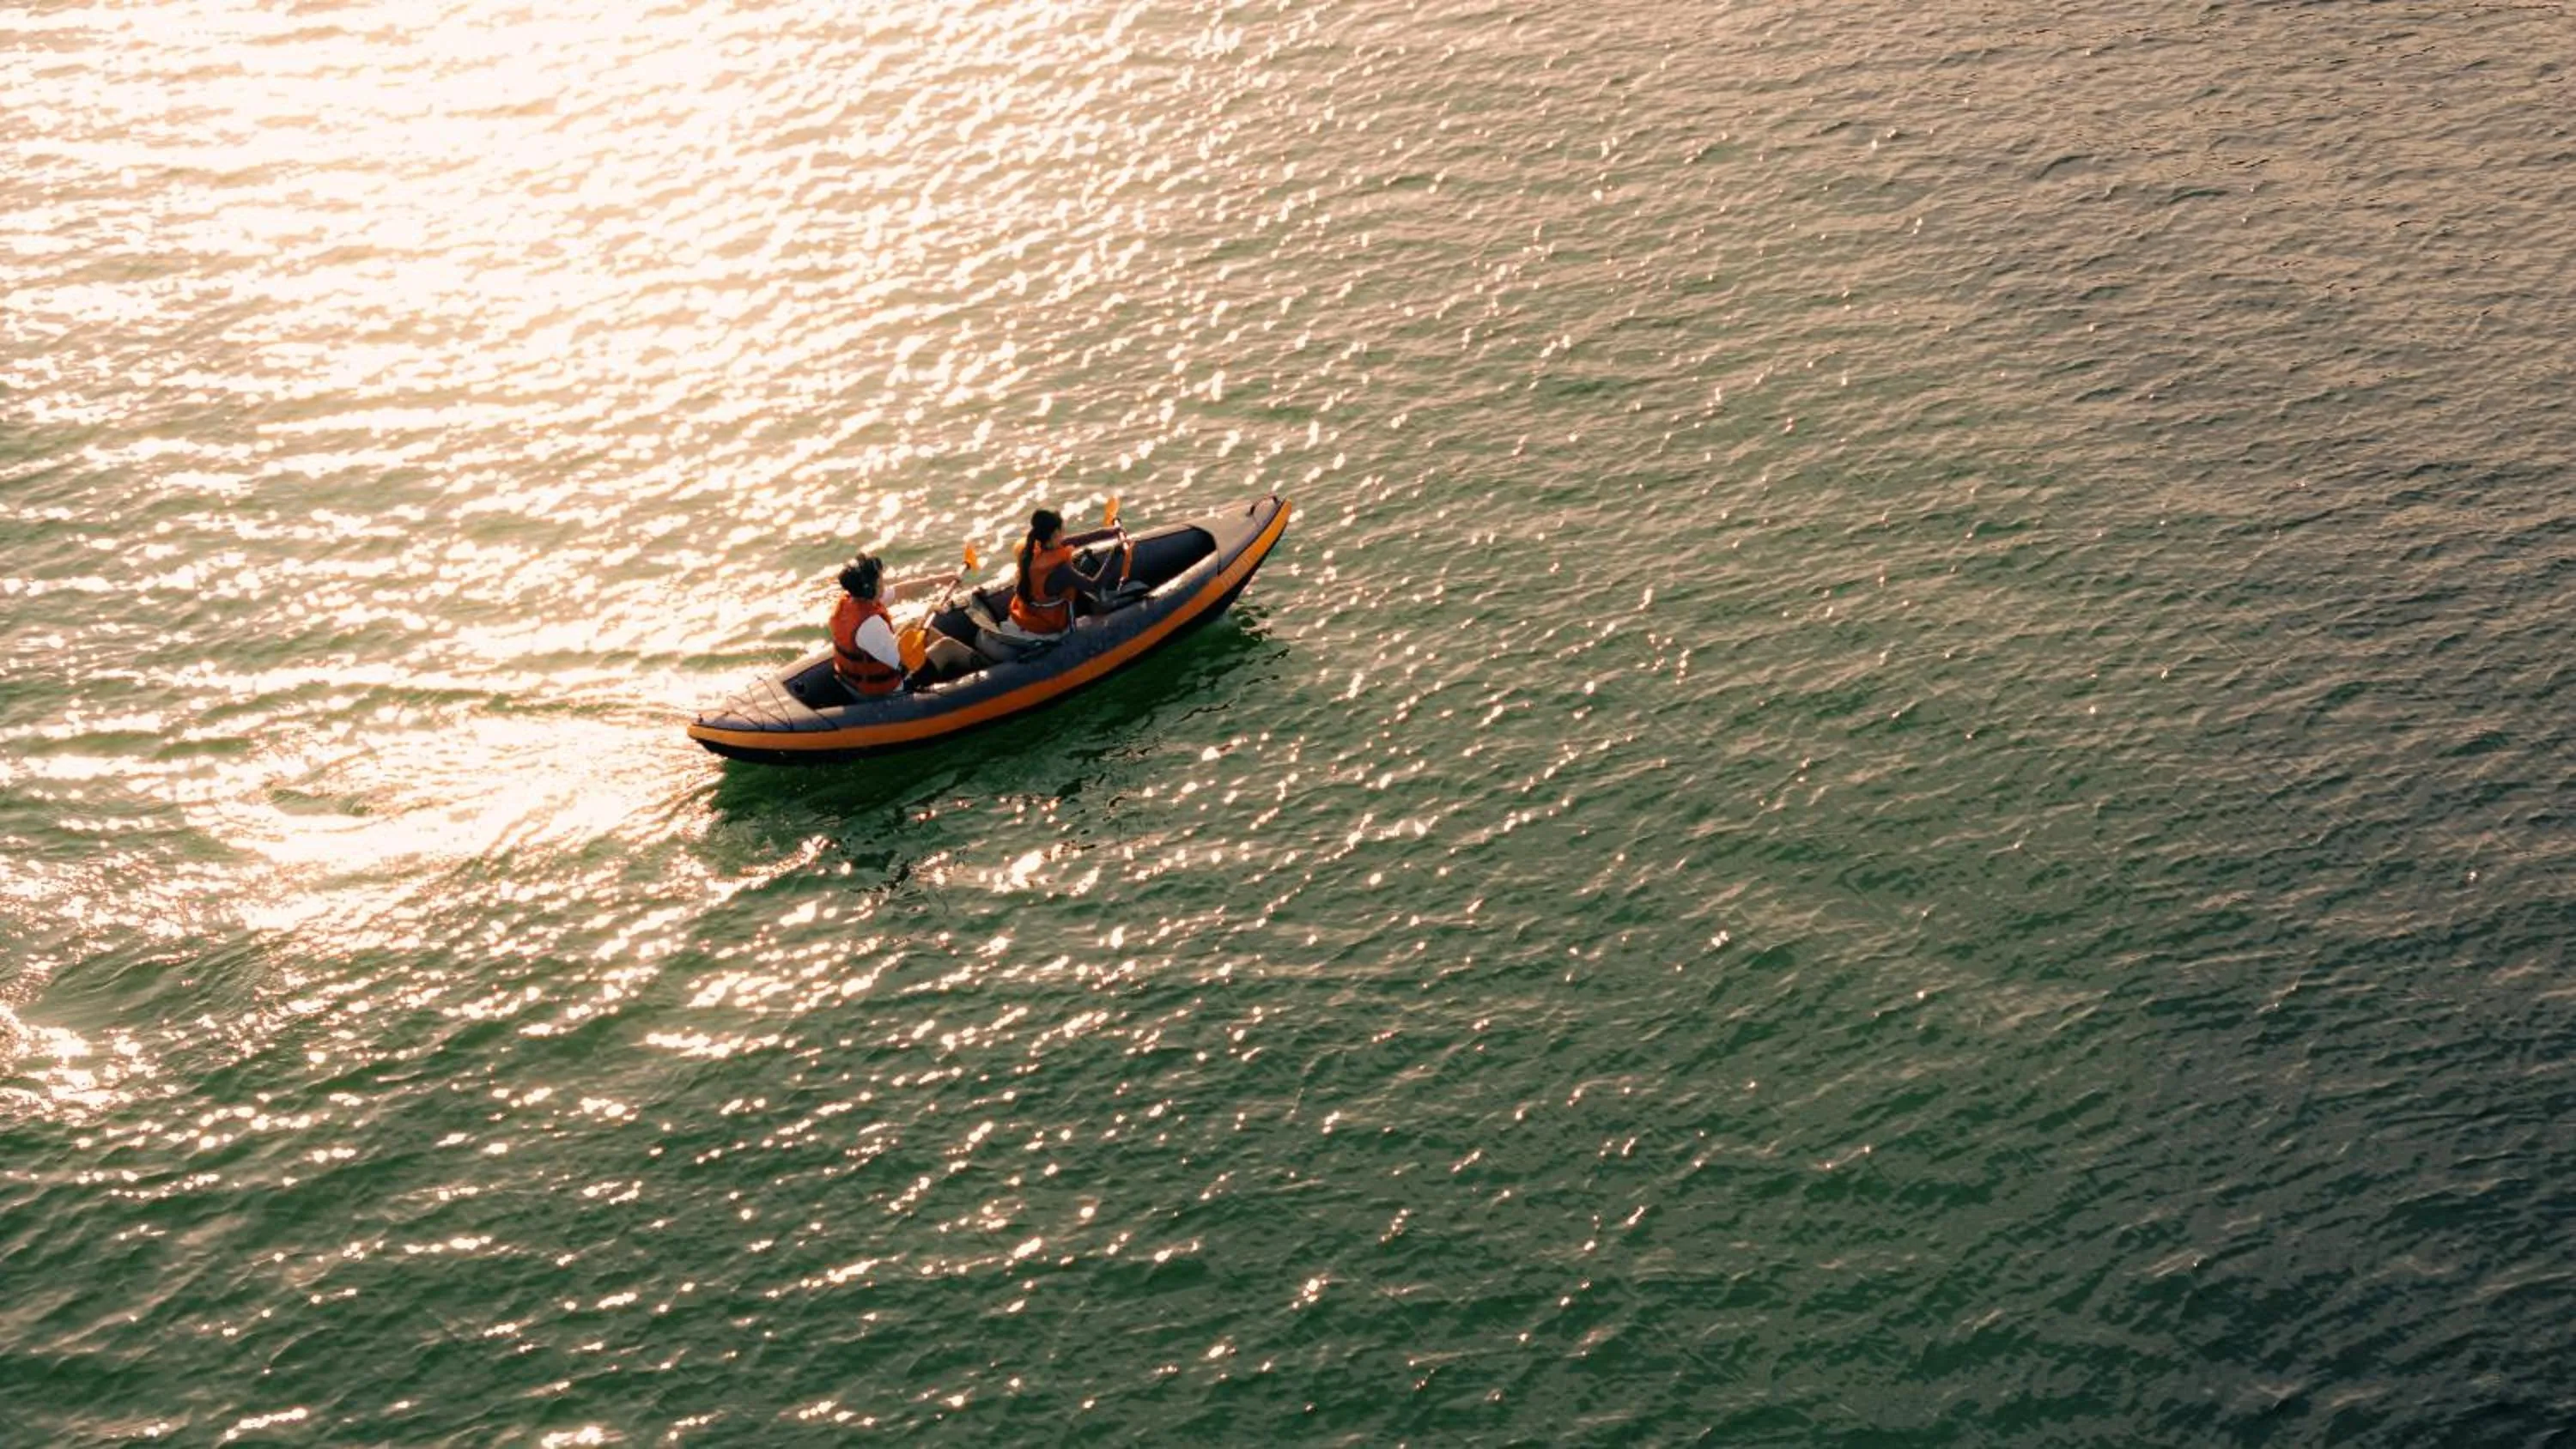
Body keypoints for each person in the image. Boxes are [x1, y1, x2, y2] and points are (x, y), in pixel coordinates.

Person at [987, 507, 1129, 658]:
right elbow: (1095, 586)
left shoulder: (1032, 550)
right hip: (1046, 628)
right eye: (1062, 530)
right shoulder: (1061, 571)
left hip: (1026, 616)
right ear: (1055, 534)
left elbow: (1080, 539)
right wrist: (1115, 554)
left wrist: (1113, 531)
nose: (1065, 534)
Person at [829, 555, 907, 696]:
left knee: (912, 626)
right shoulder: (870, 625)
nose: (884, 582)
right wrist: (928, 614)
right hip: (886, 693)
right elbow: (904, 662)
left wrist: (936, 581)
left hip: (852, 684)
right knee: (945, 646)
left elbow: (897, 591)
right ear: (871, 589)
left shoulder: (848, 602)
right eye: (881, 580)